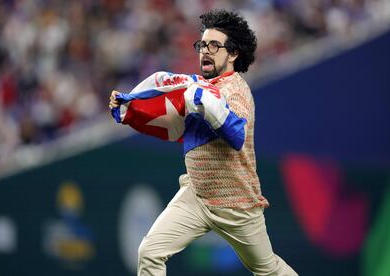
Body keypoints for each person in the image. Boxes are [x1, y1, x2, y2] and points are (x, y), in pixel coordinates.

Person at [109, 9, 297, 276]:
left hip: (236, 204)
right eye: (202, 45)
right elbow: (172, 115)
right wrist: (131, 107)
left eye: (214, 45)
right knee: (149, 253)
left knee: (268, 270)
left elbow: (237, 137)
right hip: (196, 195)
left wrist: (210, 107)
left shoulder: (236, 91)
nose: (205, 51)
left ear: (233, 54)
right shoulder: (196, 88)